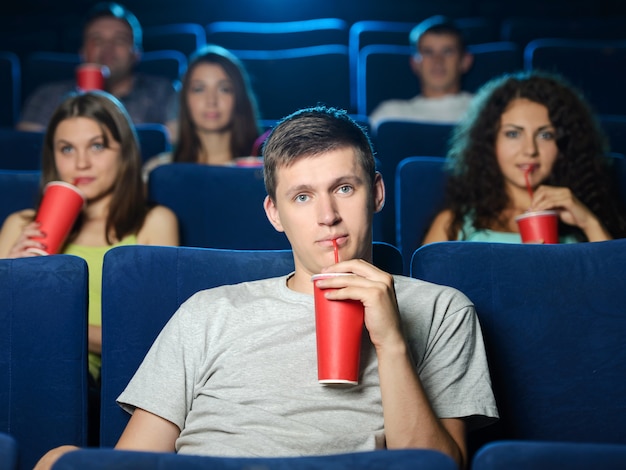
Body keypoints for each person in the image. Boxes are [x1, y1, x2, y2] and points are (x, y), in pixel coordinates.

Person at [34, 106, 497, 470]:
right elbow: (135, 460)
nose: (327, 216)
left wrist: (391, 340)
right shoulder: (208, 311)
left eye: (344, 188)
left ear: (376, 192)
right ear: (274, 213)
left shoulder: (441, 310)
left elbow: (435, 467)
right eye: (302, 196)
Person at [0, 91, 179, 385]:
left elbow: (150, 337)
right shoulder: (21, 224)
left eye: (97, 146)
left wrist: (50, 322)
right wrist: (12, 277)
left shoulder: (153, 222)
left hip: (79, 375)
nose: (81, 163)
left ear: (124, 152)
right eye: (67, 149)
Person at [422, 71, 626, 245]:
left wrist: (589, 222)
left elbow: (617, 286)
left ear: (564, 146)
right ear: (490, 142)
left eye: (545, 135)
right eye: (513, 134)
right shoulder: (453, 224)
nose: (530, 150)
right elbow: (422, 291)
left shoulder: (582, 218)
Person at [17, 2, 176, 134]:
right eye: (97, 40)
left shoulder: (162, 93)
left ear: (136, 53)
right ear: (83, 52)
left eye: (119, 40)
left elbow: (178, 148)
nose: (108, 48)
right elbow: (29, 150)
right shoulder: (48, 96)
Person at [142, 44, 261, 181]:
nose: (211, 100)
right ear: (185, 99)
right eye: (199, 89)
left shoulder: (261, 169)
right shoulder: (159, 171)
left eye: (224, 89)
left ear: (239, 97)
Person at [368, 15, 474, 129]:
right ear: (415, 63)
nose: (437, 61)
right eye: (428, 52)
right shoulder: (389, 115)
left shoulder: (485, 113)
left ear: (465, 61)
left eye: (447, 52)